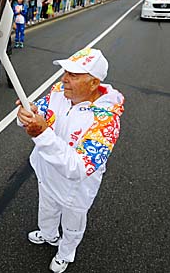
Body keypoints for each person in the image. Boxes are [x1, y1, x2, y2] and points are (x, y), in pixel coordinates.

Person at [16, 47, 125, 273]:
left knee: (72, 223)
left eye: (73, 75)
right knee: (46, 210)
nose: (64, 79)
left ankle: (66, 252)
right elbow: (40, 112)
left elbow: (79, 167)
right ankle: (48, 235)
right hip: (46, 172)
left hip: (75, 188)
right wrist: (28, 115)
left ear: (94, 83)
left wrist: (42, 133)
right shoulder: (58, 91)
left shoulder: (106, 121)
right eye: (65, 72)